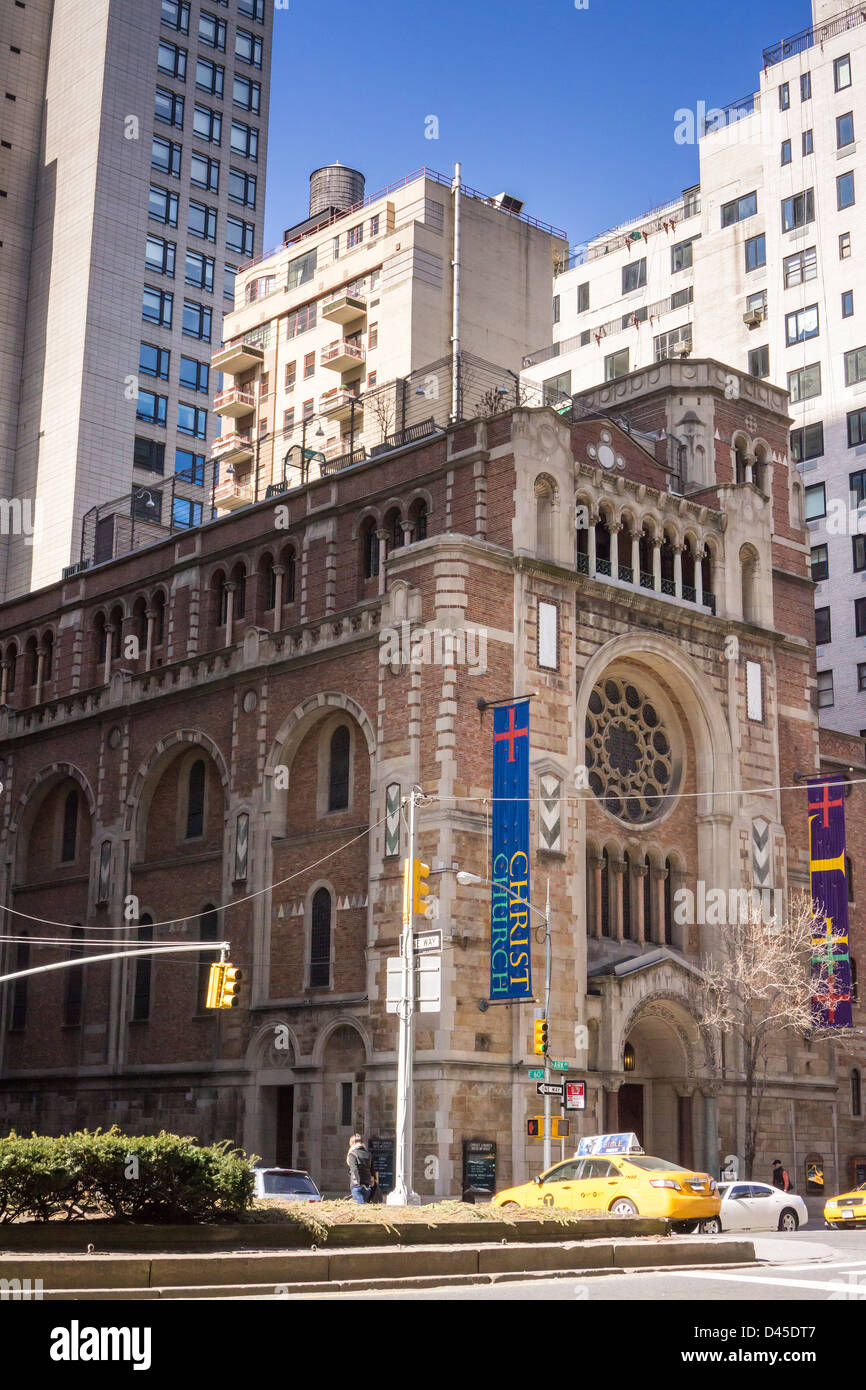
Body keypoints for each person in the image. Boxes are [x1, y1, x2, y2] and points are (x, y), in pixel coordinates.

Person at [347, 1134, 373, 1203]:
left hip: (357, 1186)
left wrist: (359, 1183)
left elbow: (354, 1169)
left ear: (352, 1143)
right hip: (367, 1186)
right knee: (364, 1208)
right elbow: (372, 1170)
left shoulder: (352, 1154)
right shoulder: (368, 1154)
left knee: (360, 1208)